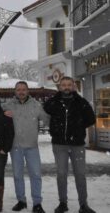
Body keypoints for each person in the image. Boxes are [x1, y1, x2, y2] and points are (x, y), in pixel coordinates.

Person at [43, 77, 96, 213]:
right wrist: (55, 130)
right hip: (59, 145)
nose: (66, 87)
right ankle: (63, 203)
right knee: (61, 174)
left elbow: (91, 119)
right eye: (63, 85)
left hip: (77, 145)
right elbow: (46, 109)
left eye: (69, 85)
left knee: (80, 174)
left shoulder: (81, 102)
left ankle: (83, 204)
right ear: (59, 87)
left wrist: (77, 128)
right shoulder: (53, 102)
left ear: (73, 86)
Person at [3, 81, 49, 213]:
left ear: (28, 91)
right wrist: (2, 114)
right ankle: (21, 201)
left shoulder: (36, 105)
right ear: (15, 91)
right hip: (15, 146)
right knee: (17, 175)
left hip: (32, 146)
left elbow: (48, 120)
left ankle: (37, 203)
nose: (21, 92)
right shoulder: (8, 105)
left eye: (23, 89)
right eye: (18, 89)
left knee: (35, 175)